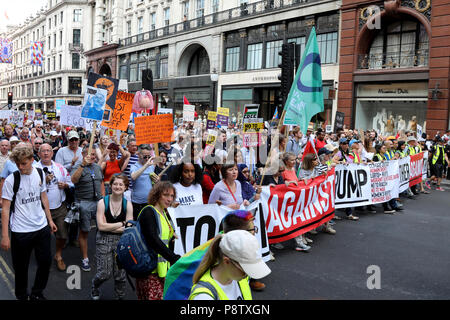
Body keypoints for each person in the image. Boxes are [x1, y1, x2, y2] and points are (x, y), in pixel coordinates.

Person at [1, 145, 57, 300]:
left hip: (41, 228)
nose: (20, 166)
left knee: (45, 263)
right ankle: (21, 295)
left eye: (24, 163)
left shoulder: (39, 173)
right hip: (20, 231)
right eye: (18, 163)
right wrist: (5, 236)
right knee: (21, 269)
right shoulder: (12, 180)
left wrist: (50, 220)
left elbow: (43, 197)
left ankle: (37, 293)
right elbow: (5, 209)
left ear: (32, 160)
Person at [189, 230, 271, 300]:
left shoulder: (236, 277)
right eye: (245, 269)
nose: (248, 274)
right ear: (227, 261)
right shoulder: (203, 297)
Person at [135, 181, 181, 300]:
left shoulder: (164, 213)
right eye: (166, 195)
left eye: (171, 196)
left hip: (161, 270)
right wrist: (174, 258)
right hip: (150, 270)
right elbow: (153, 240)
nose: (169, 199)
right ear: (157, 195)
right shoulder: (148, 211)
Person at [91, 174, 133, 300]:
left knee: (120, 274)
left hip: (121, 242)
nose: (117, 186)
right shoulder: (102, 202)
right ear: (111, 185)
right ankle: (95, 286)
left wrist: (110, 225)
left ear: (125, 187)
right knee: (104, 273)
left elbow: (129, 229)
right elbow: (101, 227)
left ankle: (119, 296)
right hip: (103, 239)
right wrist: (121, 224)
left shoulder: (128, 205)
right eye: (115, 184)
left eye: (121, 184)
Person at [37, 143, 73, 272]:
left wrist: (66, 185)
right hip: (40, 209)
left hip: (59, 207)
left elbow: (71, 182)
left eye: (48, 151)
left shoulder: (60, 167)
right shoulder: (34, 168)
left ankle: (58, 255)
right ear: (39, 154)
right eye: (43, 151)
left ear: (52, 153)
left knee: (63, 235)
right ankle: (43, 257)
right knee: (41, 237)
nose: (46, 153)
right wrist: (43, 182)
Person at [71, 145, 105, 272]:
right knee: (84, 231)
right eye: (89, 154)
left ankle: (101, 254)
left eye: (94, 155)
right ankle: (85, 258)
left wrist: (103, 198)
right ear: (83, 155)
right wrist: (82, 166)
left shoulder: (97, 167)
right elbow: (73, 180)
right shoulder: (78, 166)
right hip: (84, 203)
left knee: (101, 230)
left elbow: (101, 182)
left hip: (98, 202)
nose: (92, 157)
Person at [373, 144, 403, 214]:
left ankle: (393, 205)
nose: (385, 149)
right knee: (384, 192)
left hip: (386, 176)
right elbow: (374, 166)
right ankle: (386, 207)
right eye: (383, 148)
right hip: (379, 178)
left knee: (390, 191)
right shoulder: (376, 157)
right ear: (379, 149)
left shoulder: (384, 156)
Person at [130, 144, 155, 220]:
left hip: (149, 201)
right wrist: (146, 166)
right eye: (145, 156)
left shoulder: (151, 166)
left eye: (149, 156)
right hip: (138, 203)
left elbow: (152, 183)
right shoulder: (134, 166)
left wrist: (156, 181)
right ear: (139, 155)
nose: (147, 158)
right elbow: (133, 177)